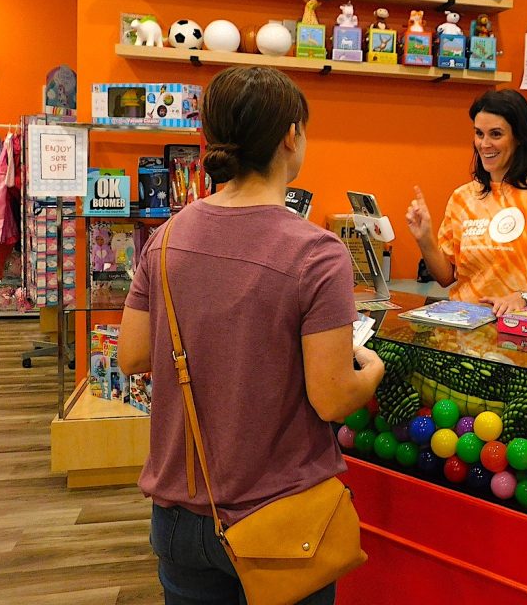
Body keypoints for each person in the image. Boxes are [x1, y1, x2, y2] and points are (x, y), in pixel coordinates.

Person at [118, 66, 385, 605]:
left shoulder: (168, 237)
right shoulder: (317, 252)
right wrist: (371, 370)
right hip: (282, 517)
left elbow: (132, 355)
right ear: (291, 136)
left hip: (179, 513)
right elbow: (332, 397)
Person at [406, 89, 527, 316]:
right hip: (464, 330)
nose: (484, 144)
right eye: (479, 134)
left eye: (496, 134)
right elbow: (445, 277)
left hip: (522, 330)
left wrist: (522, 296)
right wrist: (425, 238)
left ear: (519, 137)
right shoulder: (462, 198)